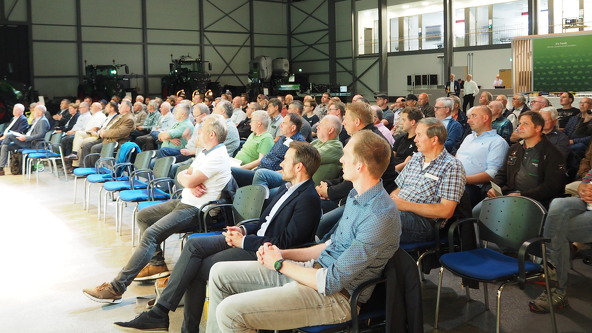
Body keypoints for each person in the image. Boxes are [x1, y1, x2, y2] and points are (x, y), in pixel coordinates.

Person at [112, 141, 323, 332]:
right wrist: (243, 230)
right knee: (193, 246)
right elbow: (264, 221)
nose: (282, 163)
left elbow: (287, 243)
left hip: (263, 252)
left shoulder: (308, 199)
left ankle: (170, 319)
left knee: (198, 268)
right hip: (252, 239)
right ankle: (162, 314)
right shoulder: (287, 188)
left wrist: (245, 241)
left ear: (299, 167)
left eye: (286, 160)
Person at [205, 130, 400, 332]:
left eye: (346, 154)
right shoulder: (355, 195)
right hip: (311, 270)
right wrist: (281, 254)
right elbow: (327, 246)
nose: (341, 159)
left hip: (336, 298)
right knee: (219, 273)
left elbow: (331, 281)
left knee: (230, 312)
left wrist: (279, 264)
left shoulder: (380, 216)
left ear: (360, 166)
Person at [82, 114, 232, 304]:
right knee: (144, 216)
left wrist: (189, 180)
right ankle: (157, 264)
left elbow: (189, 177)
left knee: (152, 235)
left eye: (201, 131)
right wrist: (189, 181)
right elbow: (182, 174)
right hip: (184, 201)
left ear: (211, 134)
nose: (198, 133)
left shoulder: (218, 156)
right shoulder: (205, 152)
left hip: (197, 210)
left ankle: (116, 287)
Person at [390, 117, 466, 242]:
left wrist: (405, 205)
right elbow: (397, 190)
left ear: (434, 139)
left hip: (423, 223)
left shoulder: (451, 166)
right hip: (399, 212)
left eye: (419, 135)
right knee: (357, 210)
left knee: (376, 219)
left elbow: (446, 210)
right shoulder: (416, 158)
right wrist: (391, 203)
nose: (415, 139)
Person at [528, 170, 592, 313]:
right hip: (586, 203)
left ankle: (554, 283)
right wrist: (584, 190)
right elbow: (585, 182)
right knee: (558, 205)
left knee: (557, 228)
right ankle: (554, 280)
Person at [477, 111, 565, 210]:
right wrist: (494, 187)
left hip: (535, 201)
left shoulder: (552, 153)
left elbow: (552, 186)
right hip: (508, 194)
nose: (519, 127)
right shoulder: (515, 148)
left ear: (538, 128)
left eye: (525, 124)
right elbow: (503, 173)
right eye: (519, 124)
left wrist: (522, 195)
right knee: (477, 211)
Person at [455, 105, 508, 207]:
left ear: (485, 118)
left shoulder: (497, 142)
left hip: (472, 187)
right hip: (455, 180)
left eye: (473, 116)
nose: (468, 121)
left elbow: (492, 174)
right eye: (469, 117)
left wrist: (462, 179)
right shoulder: (469, 137)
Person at [0, 105, 50, 175]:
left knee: (9, 135)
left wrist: (26, 138)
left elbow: (41, 134)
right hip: (27, 140)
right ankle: (1, 169)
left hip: (33, 143)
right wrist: (23, 136)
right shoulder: (37, 120)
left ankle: (1, 168)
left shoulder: (43, 121)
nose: (32, 112)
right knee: (4, 147)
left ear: (39, 112)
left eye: (34, 111)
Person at [392, 107, 422, 172]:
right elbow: (390, 156)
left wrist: (390, 173)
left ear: (412, 122)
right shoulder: (400, 138)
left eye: (404, 120)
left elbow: (406, 164)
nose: (401, 123)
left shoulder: (419, 142)